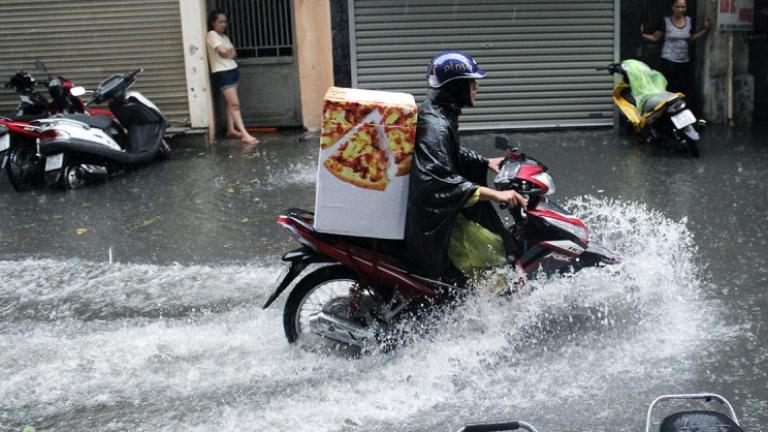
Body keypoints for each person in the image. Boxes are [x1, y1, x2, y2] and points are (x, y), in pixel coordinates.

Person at [405, 51, 527, 282]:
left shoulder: (438, 113)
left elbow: (445, 152)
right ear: (457, 86)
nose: (476, 88)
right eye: (472, 83)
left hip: (433, 213)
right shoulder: (436, 125)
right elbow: (437, 180)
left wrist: (484, 162)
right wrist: (496, 195)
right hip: (433, 221)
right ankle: (478, 313)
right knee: (499, 253)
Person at [206, 9, 259, 146]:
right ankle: (245, 135)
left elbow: (233, 54)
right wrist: (227, 52)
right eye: (220, 22)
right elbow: (224, 52)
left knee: (231, 104)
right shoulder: (212, 35)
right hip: (223, 73)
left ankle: (231, 129)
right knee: (235, 104)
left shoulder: (224, 37)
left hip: (232, 70)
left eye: (225, 22)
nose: (223, 24)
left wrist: (228, 52)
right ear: (213, 23)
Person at [640, 0, 711, 99]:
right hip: (668, 61)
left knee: (683, 88)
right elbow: (656, 37)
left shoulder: (689, 21)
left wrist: (704, 30)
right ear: (672, 8)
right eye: (677, 7)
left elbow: (690, 38)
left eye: (683, 7)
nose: (680, 9)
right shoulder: (665, 21)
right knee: (669, 87)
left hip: (684, 60)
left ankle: (680, 109)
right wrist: (642, 34)